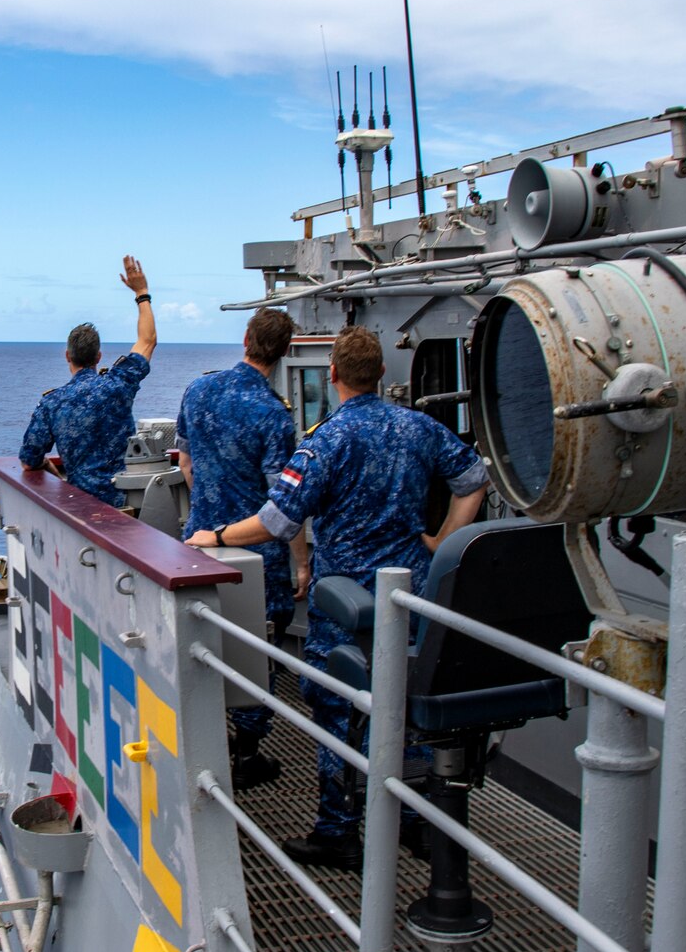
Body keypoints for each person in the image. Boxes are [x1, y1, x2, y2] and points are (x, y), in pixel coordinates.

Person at [185, 325, 488, 870]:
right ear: (381, 374)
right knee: (407, 697)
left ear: (332, 375)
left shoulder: (325, 441)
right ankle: (417, 823)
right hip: (410, 591)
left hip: (346, 600)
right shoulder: (418, 427)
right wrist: (442, 542)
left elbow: (277, 520)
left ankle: (339, 831)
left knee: (336, 705)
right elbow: (473, 478)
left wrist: (219, 535)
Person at [176, 308, 309, 790]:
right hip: (257, 556)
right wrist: (302, 563)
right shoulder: (273, 415)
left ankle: (202, 739)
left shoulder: (198, 390)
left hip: (198, 543)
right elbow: (284, 505)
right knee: (257, 652)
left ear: (247, 337)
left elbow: (186, 463)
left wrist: (208, 513)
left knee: (199, 641)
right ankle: (246, 753)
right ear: (285, 352)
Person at [19, 256, 157, 506]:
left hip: (82, 508)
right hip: (127, 504)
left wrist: (51, 471)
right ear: (99, 357)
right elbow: (147, 341)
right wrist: (141, 293)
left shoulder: (52, 404)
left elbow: (29, 461)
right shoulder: (118, 384)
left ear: (67, 356)